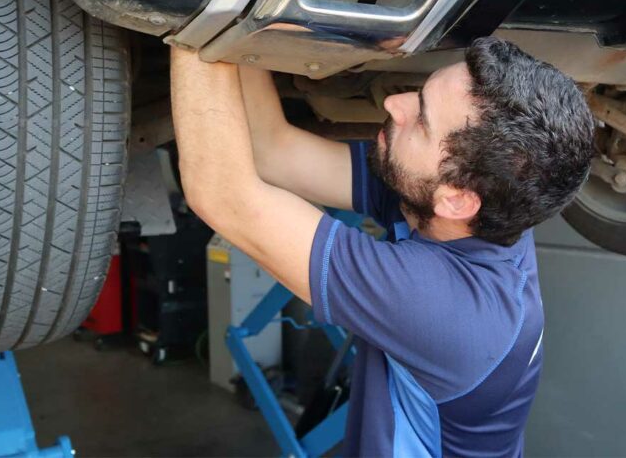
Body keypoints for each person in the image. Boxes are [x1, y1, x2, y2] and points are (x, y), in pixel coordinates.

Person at [170, 37, 596, 456]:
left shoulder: (446, 307)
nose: (396, 105)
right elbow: (275, 153)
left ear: (457, 199)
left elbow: (223, 196)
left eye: (422, 119)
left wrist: (198, 18)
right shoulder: (460, 209)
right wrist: (249, 23)